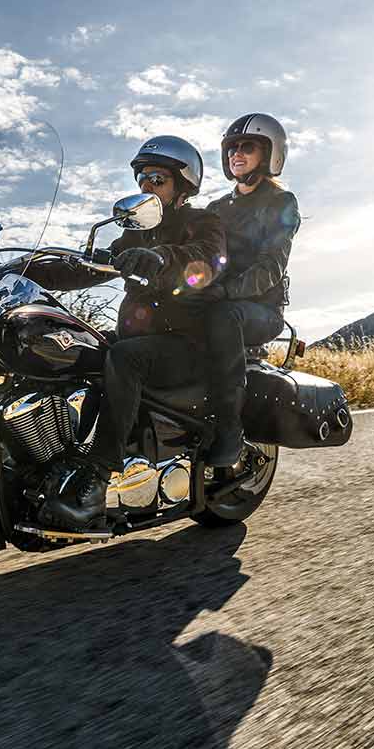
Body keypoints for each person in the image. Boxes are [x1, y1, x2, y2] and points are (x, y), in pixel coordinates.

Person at [26, 135, 226, 529]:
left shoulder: (203, 222)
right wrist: (25, 269)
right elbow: (85, 268)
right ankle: (59, 459)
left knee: (124, 358)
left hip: (188, 343)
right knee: (76, 347)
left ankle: (98, 482)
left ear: (182, 186)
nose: (146, 186)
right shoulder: (133, 234)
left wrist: (162, 258)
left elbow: (207, 258)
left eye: (157, 179)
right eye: (142, 179)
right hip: (141, 337)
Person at [186, 113, 302, 466]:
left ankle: (229, 429)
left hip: (260, 311)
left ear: (269, 154)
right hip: (219, 301)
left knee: (223, 316)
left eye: (247, 147)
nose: (237, 153)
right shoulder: (217, 208)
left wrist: (225, 292)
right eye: (231, 148)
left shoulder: (281, 203)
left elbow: (271, 266)